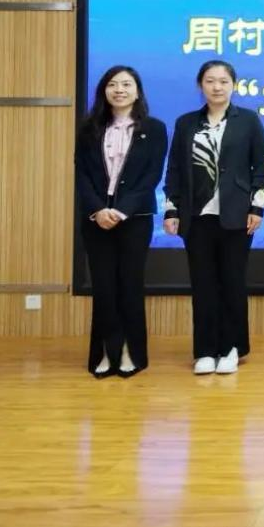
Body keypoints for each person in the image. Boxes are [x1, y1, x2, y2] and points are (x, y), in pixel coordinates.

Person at [163, 60, 264, 375]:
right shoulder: (186, 123)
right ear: (201, 85)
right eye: (210, 81)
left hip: (237, 216)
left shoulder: (248, 121)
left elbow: (261, 169)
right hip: (196, 217)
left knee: (233, 282)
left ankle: (232, 347)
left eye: (223, 81)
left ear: (233, 85)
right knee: (203, 284)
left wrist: (257, 208)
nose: (217, 87)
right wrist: (171, 209)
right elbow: (175, 169)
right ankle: (205, 351)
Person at [75, 65, 167, 379]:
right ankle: (104, 352)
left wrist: (122, 211)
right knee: (103, 287)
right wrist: (98, 210)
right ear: (104, 90)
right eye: (113, 84)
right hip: (95, 218)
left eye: (127, 84)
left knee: (129, 285)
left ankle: (130, 352)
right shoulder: (89, 128)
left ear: (137, 91)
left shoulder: (154, 129)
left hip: (135, 218)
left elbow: (151, 176)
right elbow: (82, 174)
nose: (119, 90)